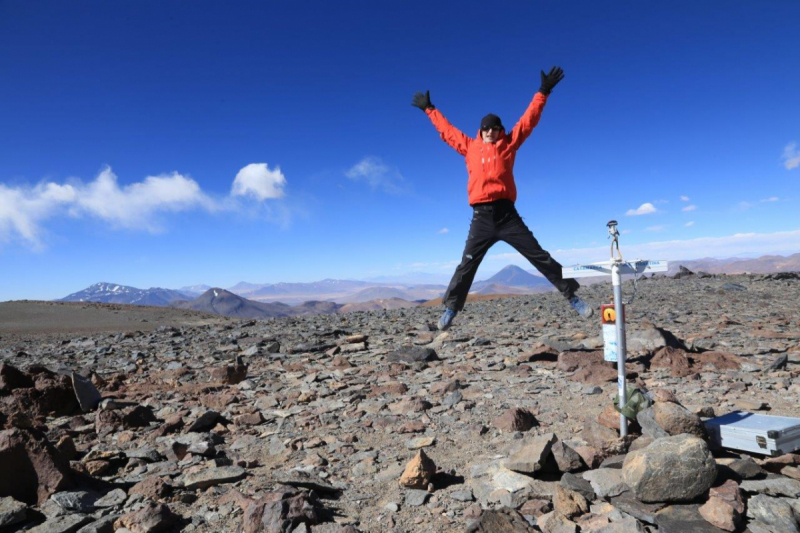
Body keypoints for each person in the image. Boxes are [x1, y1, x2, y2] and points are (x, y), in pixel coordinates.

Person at [412, 66, 593, 331]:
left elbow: (528, 120)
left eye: (495, 129)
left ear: (500, 130)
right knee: (467, 265)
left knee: (539, 256)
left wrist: (543, 91)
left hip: (508, 216)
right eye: (487, 129)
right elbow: (448, 131)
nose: (491, 132)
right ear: (481, 130)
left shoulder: (509, 145)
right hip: (481, 217)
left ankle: (573, 298)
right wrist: (430, 110)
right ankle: (451, 309)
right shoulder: (470, 147)